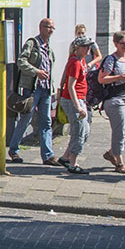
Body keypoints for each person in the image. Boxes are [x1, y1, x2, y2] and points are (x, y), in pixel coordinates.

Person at [7, 19, 57, 165]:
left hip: (46, 88)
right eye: (49, 27)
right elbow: (21, 61)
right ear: (41, 27)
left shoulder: (49, 47)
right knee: (26, 119)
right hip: (32, 88)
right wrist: (36, 72)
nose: (51, 30)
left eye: (53, 28)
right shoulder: (32, 44)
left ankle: (48, 155)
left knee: (46, 121)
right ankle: (14, 150)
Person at [56, 36, 94, 174]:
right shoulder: (75, 62)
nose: (88, 49)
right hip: (74, 100)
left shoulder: (81, 60)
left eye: (89, 46)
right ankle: (73, 163)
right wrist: (78, 106)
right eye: (85, 46)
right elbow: (71, 86)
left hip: (80, 99)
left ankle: (66, 157)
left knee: (85, 130)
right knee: (79, 130)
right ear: (78, 48)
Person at [99, 30, 125, 174]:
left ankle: (111, 153)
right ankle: (119, 163)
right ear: (115, 44)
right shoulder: (111, 60)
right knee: (119, 131)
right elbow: (101, 79)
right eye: (122, 43)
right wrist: (118, 77)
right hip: (116, 99)